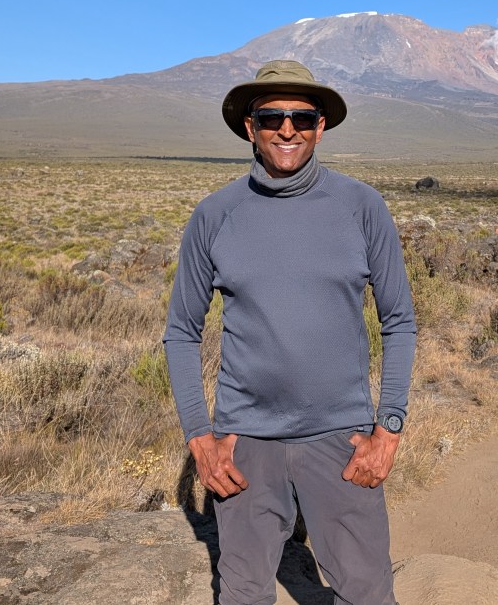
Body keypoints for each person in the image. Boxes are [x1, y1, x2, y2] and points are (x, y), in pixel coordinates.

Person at [163, 59, 417, 604]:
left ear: (320, 126)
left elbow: (399, 320)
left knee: (368, 595)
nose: (286, 130)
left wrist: (389, 429)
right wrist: (200, 439)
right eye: (271, 117)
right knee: (244, 595)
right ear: (249, 126)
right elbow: (181, 330)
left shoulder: (361, 207)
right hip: (246, 445)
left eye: (301, 118)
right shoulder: (215, 215)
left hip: (342, 441)